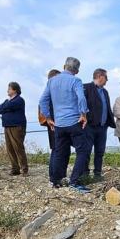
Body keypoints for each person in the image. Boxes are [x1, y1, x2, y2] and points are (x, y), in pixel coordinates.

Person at [39, 56, 92, 193]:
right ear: (77, 71)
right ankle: (74, 181)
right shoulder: (76, 80)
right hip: (74, 122)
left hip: (59, 125)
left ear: (64, 66)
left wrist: (48, 117)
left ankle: (56, 181)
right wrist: (83, 114)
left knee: (59, 152)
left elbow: (43, 101)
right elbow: (81, 97)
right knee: (83, 150)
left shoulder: (51, 81)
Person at [82, 68, 116, 180]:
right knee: (86, 150)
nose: (107, 80)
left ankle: (97, 173)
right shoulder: (86, 87)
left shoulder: (105, 92)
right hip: (89, 127)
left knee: (100, 151)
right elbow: (81, 105)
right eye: (106, 78)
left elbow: (107, 108)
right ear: (100, 76)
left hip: (102, 127)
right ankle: (85, 173)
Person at [0, 82, 28, 175]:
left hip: (16, 127)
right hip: (7, 127)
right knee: (10, 148)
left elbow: (8, 106)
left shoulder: (19, 100)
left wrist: (6, 106)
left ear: (15, 90)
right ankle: (15, 168)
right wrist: (6, 105)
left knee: (18, 148)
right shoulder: (8, 101)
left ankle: (24, 169)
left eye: (9, 89)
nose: (7, 90)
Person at [38, 69, 60, 183]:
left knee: (55, 149)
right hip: (54, 124)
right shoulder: (51, 90)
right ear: (54, 78)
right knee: (57, 149)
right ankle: (54, 178)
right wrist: (49, 119)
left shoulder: (50, 90)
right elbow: (42, 103)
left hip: (53, 123)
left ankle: (54, 176)